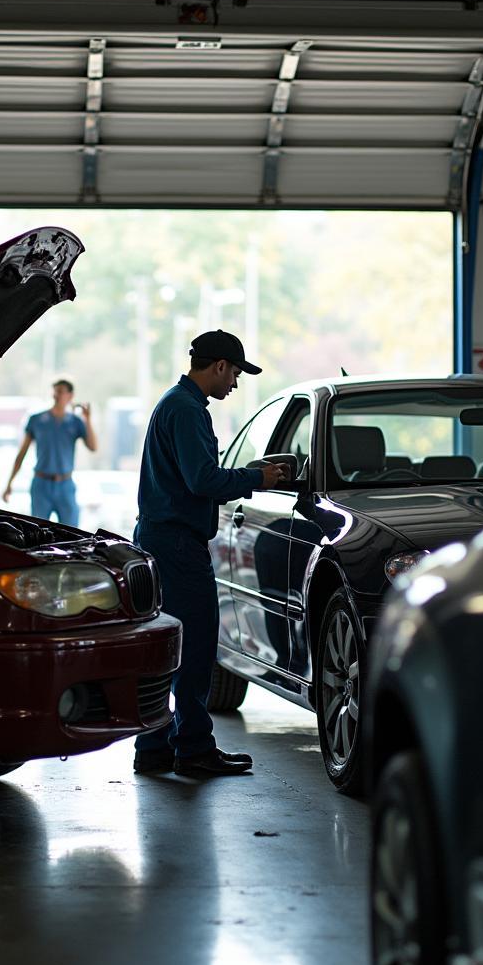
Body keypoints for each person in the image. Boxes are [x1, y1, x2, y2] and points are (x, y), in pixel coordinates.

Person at [133, 330, 289, 778]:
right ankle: (194, 748)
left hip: (162, 538)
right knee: (196, 647)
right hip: (178, 545)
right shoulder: (185, 410)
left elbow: (196, 476)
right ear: (219, 365)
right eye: (235, 373)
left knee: (168, 648)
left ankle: (156, 747)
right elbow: (202, 480)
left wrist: (246, 474)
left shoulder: (176, 404)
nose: (235, 383)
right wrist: (258, 479)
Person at [3, 379, 97, 525]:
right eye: (55, 391)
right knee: (38, 530)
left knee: (71, 532)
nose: (56, 395)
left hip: (65, 484)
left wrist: (87, 419)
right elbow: (21, 454)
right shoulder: (36, 420)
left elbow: (93, 447)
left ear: (70, 396)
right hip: (41, 484)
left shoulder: (75, 422)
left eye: (60, 391)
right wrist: (10, 483)